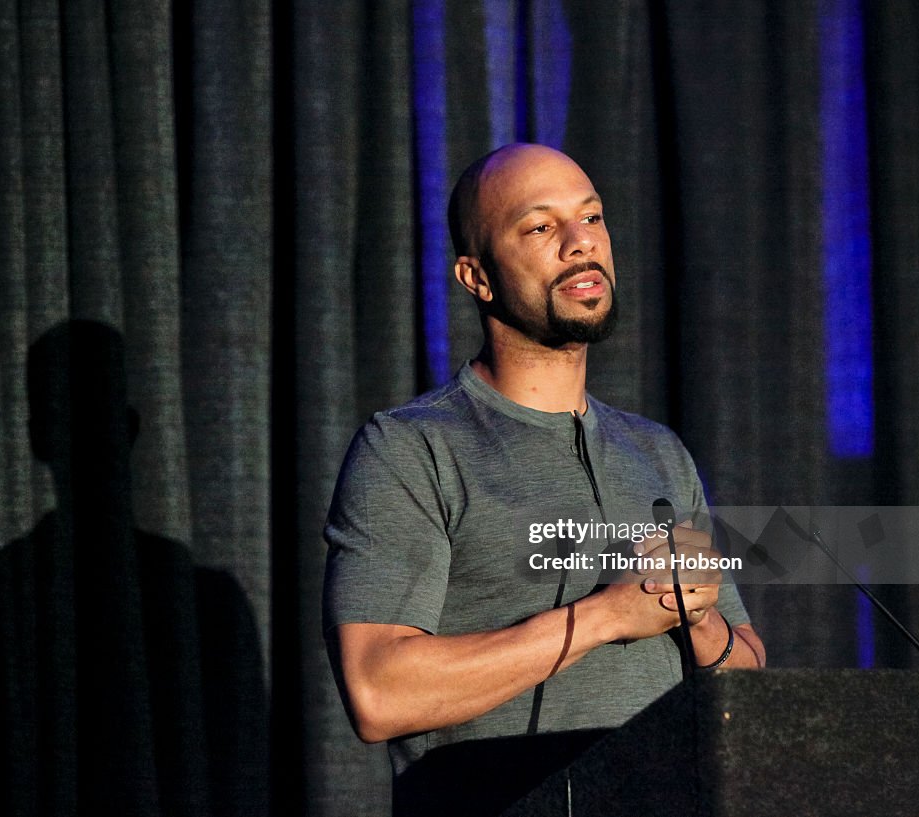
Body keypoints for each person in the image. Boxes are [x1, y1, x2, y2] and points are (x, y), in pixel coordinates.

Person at [323, 144, 765, 805]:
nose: (580, 244)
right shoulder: (410, 449)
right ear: (477, 277)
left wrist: (697, 617)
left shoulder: (658, 451)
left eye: (592, 218)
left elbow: (747, 674)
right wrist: (609, 615)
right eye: (540, 226)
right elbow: (379, 690)